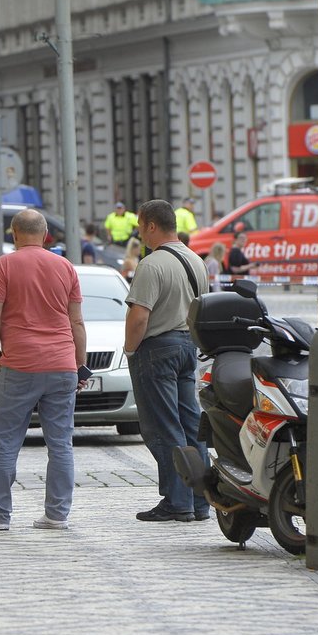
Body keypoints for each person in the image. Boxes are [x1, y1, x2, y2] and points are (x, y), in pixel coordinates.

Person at [0, 209, 87, 531]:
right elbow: (76, 321)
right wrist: (79, 363)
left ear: (14, 234)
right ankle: (57, 514)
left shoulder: (5, 265)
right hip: (62, 363)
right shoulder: (65, 266)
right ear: (46, 233)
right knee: (60, 442)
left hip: (20, 363)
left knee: (5, 441)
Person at [124, 199, 211, 523]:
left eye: (139, 226)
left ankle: (177, 501)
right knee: (190, 426)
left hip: (157, 350)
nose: (139, 234)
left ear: (150, 225)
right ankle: (201, 500)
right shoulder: (195, 260)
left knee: (163, 427)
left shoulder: (152, 264)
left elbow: (139, 317)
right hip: (188, 347)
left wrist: (131, 349)